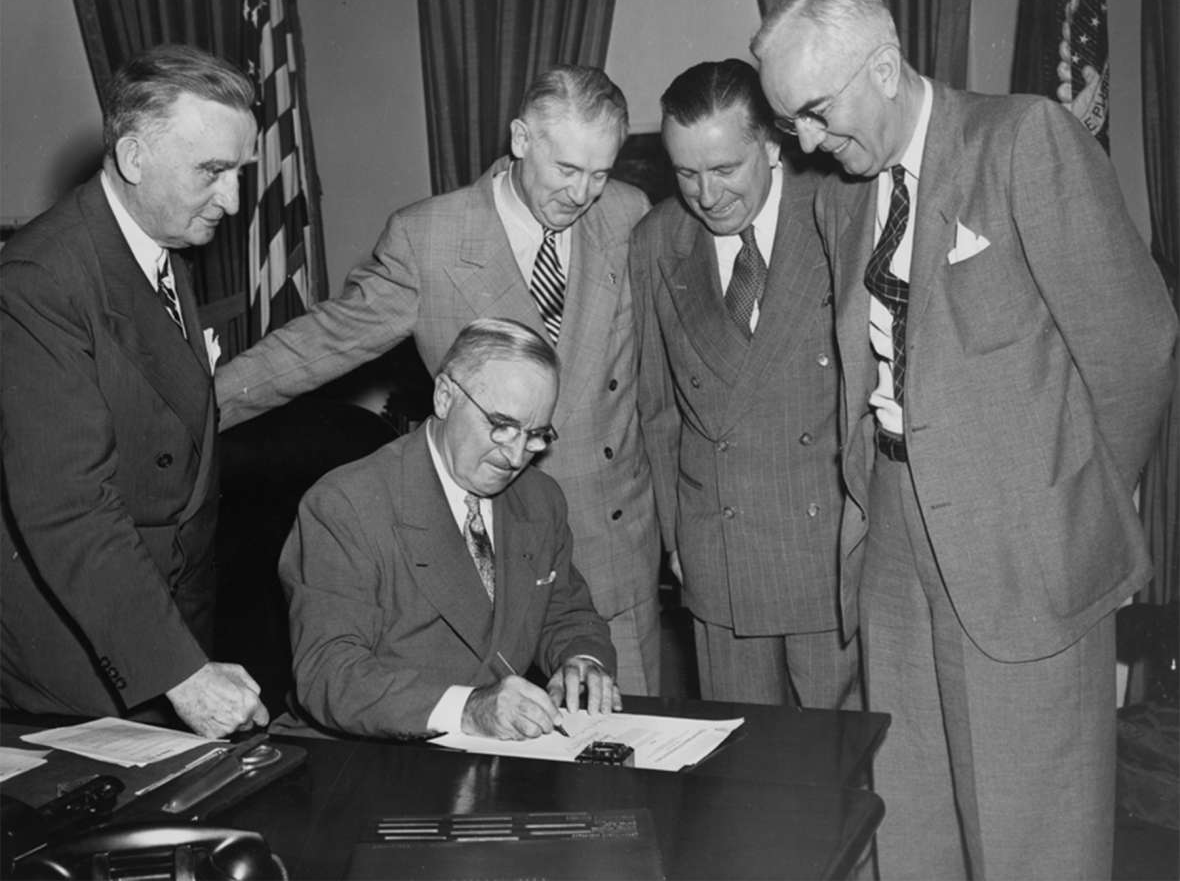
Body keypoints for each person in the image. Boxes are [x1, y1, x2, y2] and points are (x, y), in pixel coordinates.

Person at [752, 0, 1178, 880]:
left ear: (886, 64)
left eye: (818, 113)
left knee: (1033, 838)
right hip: (896, 542)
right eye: (792, 123)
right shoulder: (839, 191)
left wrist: (1073, 507)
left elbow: (1136, 347)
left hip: (1029, 553)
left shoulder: (1022, 140)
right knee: (912, 828)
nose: (808, 143)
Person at [216, 66, 660, 695]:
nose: (583, 194)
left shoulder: (628, 213)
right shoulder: (429, 237)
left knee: (627, 762)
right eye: (566, 170)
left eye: (600, 173)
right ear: (521, 139)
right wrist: (200, 409)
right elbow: (324, 341)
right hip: (486, 553)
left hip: (612, 548)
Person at [1, 44, 270, 738]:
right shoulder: (41, 279)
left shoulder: (160, 245)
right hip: (81, 657)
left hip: (164, 630)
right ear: (133, 157)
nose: (234, 201)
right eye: (212, 172)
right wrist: (178, 671)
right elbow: (69, 508)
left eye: (239, 172)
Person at [630, 60, 858, 709]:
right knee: (742, 770)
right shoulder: (656, 241)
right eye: (685, 173)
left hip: (828, 550)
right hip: (720, 560)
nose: (706, 195)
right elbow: (658, 412)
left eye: (726, 168)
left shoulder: (838, 212)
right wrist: (679, 543)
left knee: (838, 764)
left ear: (772, 143)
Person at [279, 318, 620, 738]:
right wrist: (469, 708)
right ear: (444, 397)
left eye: (534, 436)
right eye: (501, 425)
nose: (515, 457)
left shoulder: (539, 499)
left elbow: (566, 612)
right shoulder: (346, 505)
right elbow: (330, 673)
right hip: (373, 751)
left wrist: (583, 661)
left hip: (500, 752)